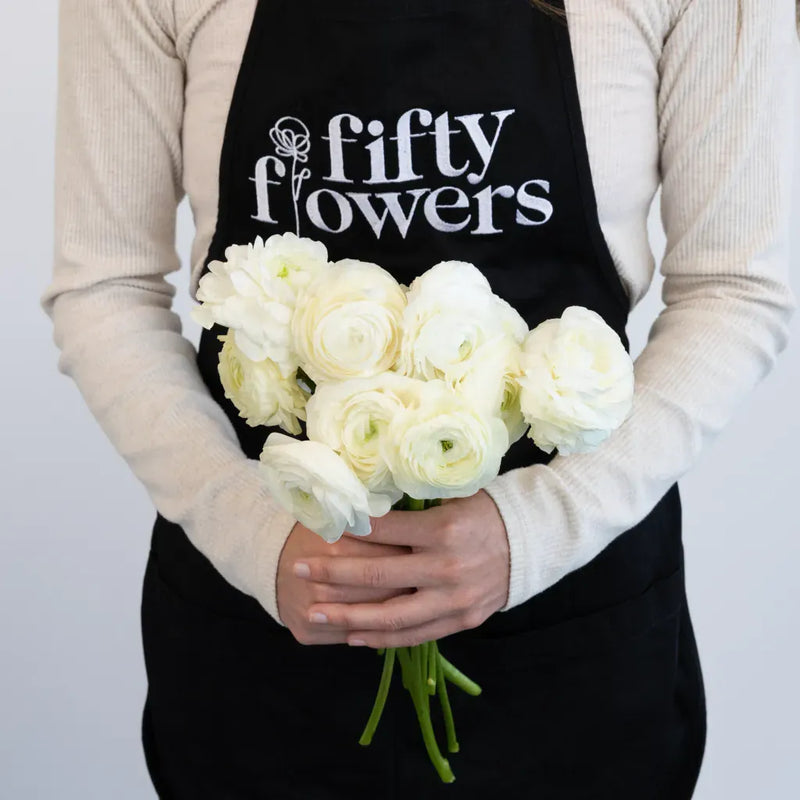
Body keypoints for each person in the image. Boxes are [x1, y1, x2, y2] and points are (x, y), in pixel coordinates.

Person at [41, 0, 797, 797]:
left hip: (572, 626)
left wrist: (536, 527)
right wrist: (257, 537)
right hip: (263, 631)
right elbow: (106, 284)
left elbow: (733, 287)